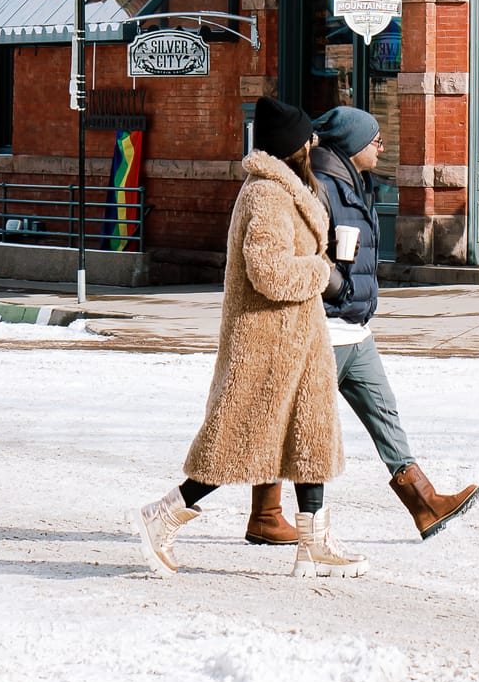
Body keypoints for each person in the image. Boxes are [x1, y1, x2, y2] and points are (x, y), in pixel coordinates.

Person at [135, 98, 364, 580]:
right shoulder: (266, 195)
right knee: (235, 442)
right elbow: (269, 272)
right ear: (292, 146)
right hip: (265, 341)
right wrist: (323, 271)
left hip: (298, 338)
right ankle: (164, 514)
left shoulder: (288, 190)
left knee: (311, 437)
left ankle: (314, 542)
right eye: (307, 137)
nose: (314, 144)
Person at [247, 105, 479, 548]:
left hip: (355, 327)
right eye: (375, 140)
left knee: (384, 414)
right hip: (323, 329)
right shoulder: (318, 188)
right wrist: (336, 286)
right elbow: (303, 250)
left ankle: (423, 501)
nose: (382, 146)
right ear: (353, 146)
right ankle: (264, 512)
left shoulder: (358, 182)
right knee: (295, 427)